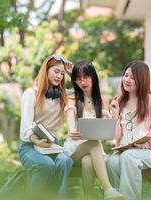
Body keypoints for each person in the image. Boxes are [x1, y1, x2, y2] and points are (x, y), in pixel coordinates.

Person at [106, 60, 151, 200]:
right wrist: (115, 116)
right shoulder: (120, 102)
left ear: (142, 80)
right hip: (125, 150)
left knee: (128, 157)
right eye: (126, 75)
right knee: (111, 161)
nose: (127, 80)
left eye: (133, 77)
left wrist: (145, 141)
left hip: (148, 151)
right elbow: (116, 137)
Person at [64, 60, 125, 200]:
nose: (82, 81)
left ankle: (88, 196)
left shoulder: (102, 100)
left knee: (87, 161)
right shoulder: (72, 98)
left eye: (86, 77)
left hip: (92, 152)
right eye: (78, 79)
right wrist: (72, 129)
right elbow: (70, 119)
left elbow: (107, 130)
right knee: (94, 143)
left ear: (93, 77)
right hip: (74, 149)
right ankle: (109, 190)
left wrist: (112, 115)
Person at [18, 55, 73, 198]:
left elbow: (85, 91)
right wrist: (36, 140)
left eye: (62, 73)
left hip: (52, 145)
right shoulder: (31, 94)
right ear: (46, 71)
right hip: (29, 145)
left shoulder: (62, 95)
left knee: (65, 160)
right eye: (56, 71)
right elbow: (26, 127)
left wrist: (71, 74)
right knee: (46, 165)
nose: (59, 76)